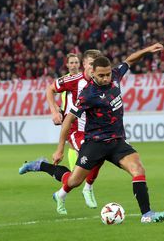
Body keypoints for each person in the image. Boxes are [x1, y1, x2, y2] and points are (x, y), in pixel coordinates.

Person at [52, 43, 164, 223]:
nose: (106, 78)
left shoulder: (115, 76)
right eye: (101, 75)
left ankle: (146, 214)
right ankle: (45, 170)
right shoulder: (87, 94)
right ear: (93, 73)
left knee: (138, 169)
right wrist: (60, 148)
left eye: (107, 74)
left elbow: (129, 60)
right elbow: (68, 120)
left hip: (116, 142)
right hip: (94, 144)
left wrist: (147, 50)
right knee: (74, 182)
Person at [19, 50, 102, 209]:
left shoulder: (100, 80)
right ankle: (87, 188)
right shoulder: (72, 80)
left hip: (92, 129)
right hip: (74, 129)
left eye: (96, 64)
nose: (94, 67)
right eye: (91, 64)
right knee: (92, 158)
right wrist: (54, 111)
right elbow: (50, 89)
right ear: (84, 64)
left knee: (73, 179)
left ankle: (41, 166)